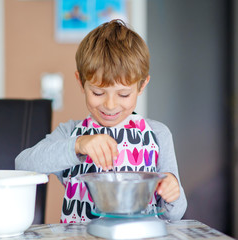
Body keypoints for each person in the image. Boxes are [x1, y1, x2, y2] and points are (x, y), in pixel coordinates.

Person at [15, 19, 187, 223]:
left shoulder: (158, 135)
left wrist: (172, 190)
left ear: (141, 86)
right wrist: (77, 146)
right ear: (81, 82)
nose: (110, 105)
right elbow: (22, 165)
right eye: (98, 92)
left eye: (123, 94)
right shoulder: (71, 134)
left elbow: (175, 214)